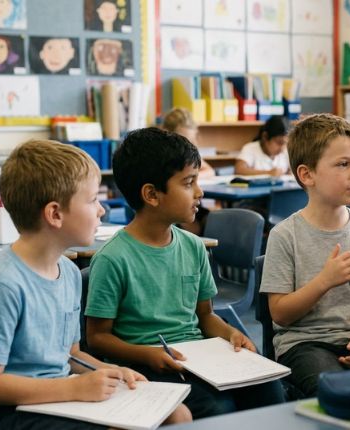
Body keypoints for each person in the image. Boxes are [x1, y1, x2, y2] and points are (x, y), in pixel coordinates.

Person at [0, 139, 192, 430]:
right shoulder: (1, 286)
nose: (102, 210)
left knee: (178, 414)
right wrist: (75, 388)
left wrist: (112, 371)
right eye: (92, 200)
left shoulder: (68, 272)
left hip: (55, 392)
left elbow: (71, 353)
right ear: (55, 214)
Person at [85, 127, 285, 418]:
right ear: (152, 194)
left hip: (198, 356)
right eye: (189, 183)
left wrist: (231, 333)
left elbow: (205, 316)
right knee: (217, 407)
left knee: (269, 387)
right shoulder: (113, 258)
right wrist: (148, 355)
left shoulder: (194, 247)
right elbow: (97, 338)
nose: (200, 192)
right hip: (145, 363)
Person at [261, 113, 350, 398]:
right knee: (340, 394)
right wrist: (324, 281)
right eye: (343, 164)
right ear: (307, 174)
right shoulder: (285, 235)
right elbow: (280, 314)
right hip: (304, 345)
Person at [161, 108, 215, 179]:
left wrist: (190, 178)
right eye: (182, 141)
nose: (186, 147)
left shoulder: (189, 153)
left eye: (190, 142)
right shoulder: (160, 155)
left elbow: (210, 171)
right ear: (167, 134)